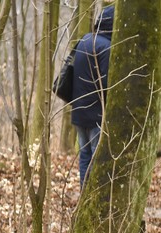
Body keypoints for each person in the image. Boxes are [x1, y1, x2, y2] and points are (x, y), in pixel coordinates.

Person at [71, 5, 114, 185]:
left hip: (79, 111)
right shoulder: (108, 47)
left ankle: (84, 196)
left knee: (84, 156)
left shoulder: (85, 39)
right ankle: (92, 196)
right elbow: (105, 84)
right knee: (97, 160)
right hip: (96, 113)